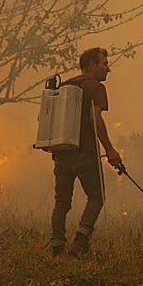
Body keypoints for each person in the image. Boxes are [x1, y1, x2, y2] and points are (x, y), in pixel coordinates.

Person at [49, 47, 124, 258]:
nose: (108, 69)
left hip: (61, 152)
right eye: (105, 64)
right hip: (85, 153)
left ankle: (56, 244)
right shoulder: (95, 88)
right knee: (96, 197)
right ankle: (81, 241)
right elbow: (95, 119)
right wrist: (109, 150)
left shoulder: (65, 86)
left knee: (61, 202)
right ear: (91, 65)